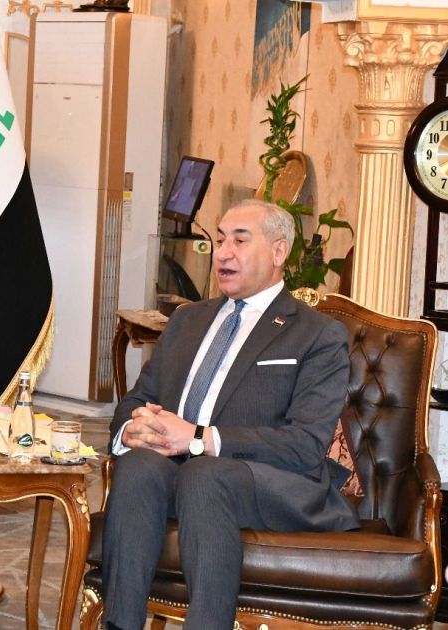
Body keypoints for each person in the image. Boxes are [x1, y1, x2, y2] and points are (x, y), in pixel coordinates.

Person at [102, 199, 360, 630]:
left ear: (278, 252)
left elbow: (305, 445)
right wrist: (132, 428)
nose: (223, 253)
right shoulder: (187, 320)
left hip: (267, 479)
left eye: (240, 241)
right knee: (139, 467)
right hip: (176, 468)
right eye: (221, 240)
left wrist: (199, 438)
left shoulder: (316, 334)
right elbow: (138, 397)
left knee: (206, 474)